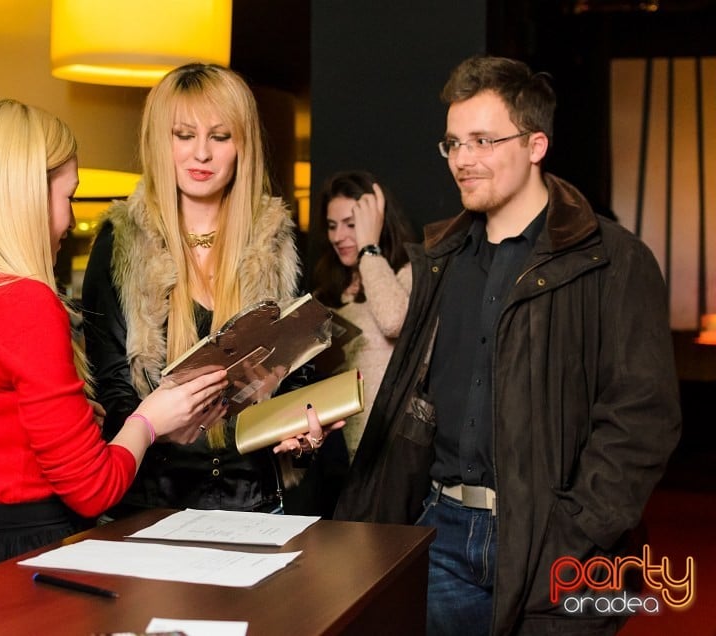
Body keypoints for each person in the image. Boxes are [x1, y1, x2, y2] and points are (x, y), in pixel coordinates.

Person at [334, 56, 681, 635]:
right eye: (453, 143)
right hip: (442, 533)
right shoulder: (440, 261)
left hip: (558, 547)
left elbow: (642, 419)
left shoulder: (614, 260)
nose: (462, 159)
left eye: (483, 141)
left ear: (535, 144)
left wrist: (576, 531)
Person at [0, 98, 234, 598]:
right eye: (69, 197)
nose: (70, 220)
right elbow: (93, 490)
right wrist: (149, 420)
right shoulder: (24, 301)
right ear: (28, 198)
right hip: (20, 574)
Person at [82, 63, 341, 518]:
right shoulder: (120, 241)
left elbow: (296, 374)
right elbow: (112, 390)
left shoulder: (274, 238)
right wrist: (161, 421)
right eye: (184, 135)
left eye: (220, 137)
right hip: (151, 507)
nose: (201, 153)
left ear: (243, 146)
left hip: (255, 503)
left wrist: (300, 429)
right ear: (159, 141)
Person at [311, 171, 415, 463]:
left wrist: (369, 248)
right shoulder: (326, 292)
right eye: (332, 226)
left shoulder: (407, 275)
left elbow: (393, 321)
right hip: (337, 454)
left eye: (351, 224)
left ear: (377, 222)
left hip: (391, 453)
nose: (338, 237)